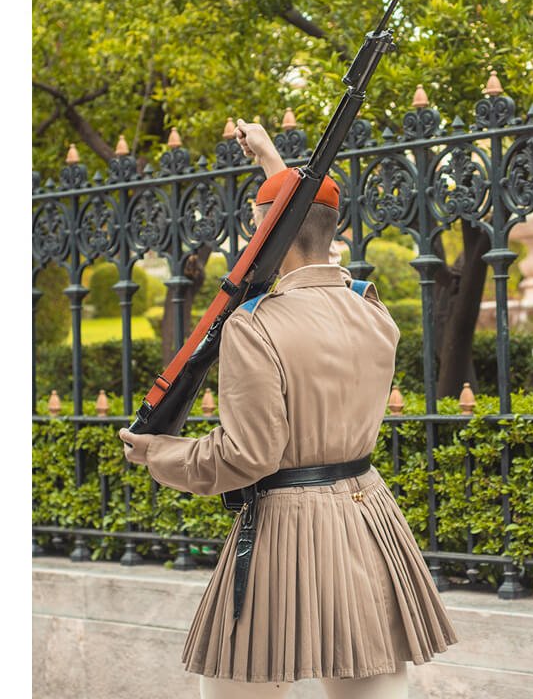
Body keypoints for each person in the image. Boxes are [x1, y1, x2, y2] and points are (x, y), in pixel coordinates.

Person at [118, 120, 456, 699]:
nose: (250, 241)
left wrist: (162, 455)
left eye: (256, 228)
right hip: (368, 514)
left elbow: (249, 454)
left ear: (266, 234)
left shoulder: (255, 326)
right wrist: (274, 164)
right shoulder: (373, 312)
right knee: (370, 687)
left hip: (286, 527)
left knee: (232, 685)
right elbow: (302, 226)